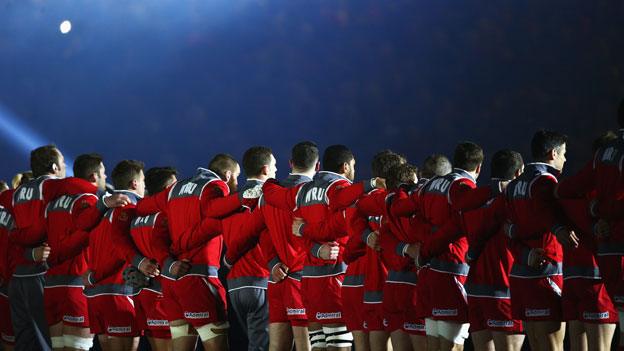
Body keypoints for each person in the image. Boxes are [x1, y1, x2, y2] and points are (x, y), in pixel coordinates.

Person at [263, 144, 385, 350]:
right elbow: (340, 203)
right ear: (345, 167)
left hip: (309, 281)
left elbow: (279, 205)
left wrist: (268, 184)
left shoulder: (302, 190)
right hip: (334, 276)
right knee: (339, 345)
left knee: (319, 344)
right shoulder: (339, 188)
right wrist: (370, 184)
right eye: (353, 166)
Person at [136, 154, 243, 351]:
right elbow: (214, 219)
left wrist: (168, 263)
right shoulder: (215, 187)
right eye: (237, 176)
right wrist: (242, 199)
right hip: (199, 279)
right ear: (227, 175)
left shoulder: (174, 190)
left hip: (172, 282)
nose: (237, 181)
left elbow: (142, 208)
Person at [505, 130, 575, 351]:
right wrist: (560, 228)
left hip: (520, 272)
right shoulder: (545, 181)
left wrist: (524, 253)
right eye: (564, 154)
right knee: (553, 345)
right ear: (553, 153)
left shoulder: (515, 185)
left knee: (536, 343)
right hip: (547, 270)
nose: (565, 159)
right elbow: (545, 213)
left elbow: (508, 229)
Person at [84, 160, 160, 351]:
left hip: (95, 295)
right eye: (142, 181)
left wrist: (93, 276)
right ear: (134, 183)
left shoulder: (102, 209)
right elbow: (119, 248)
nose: (144, 186)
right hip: (118, 291)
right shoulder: (132, 206)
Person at [461, 150, 526, 351]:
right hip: (503, 287)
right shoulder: (511, 203)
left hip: (475, 291)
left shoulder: (473, 201)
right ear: (518, 173)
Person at [44, 153, 109, 351]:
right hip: (75, 286)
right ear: (92, 177)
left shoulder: (53, 202)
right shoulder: (89, 199)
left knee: (59, 347)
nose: (105, 178)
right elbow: (85, 234)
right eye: (103, 174)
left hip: (52, 286)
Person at [222, 146, 276, 351]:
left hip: (235, 285)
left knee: (254, 343)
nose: (276, 171)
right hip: (260, 279)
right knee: (264, 345)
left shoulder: (228, 202)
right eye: (274, 167)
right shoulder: (269, 197)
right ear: (265, 169)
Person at [130, 166, 180, 351]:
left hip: (143, 293)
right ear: (165, 190)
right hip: (162, 292)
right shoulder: (166, 216)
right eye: (173, 186)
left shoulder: (136, 217)